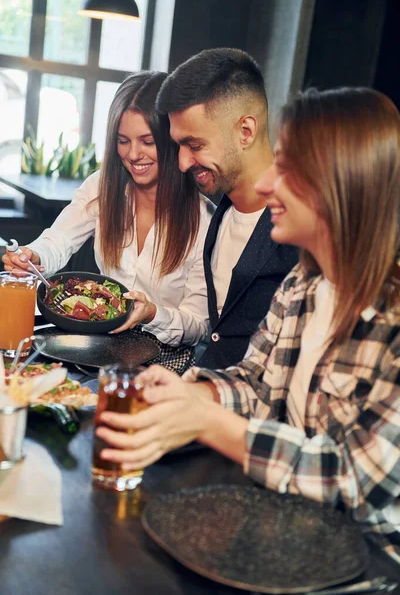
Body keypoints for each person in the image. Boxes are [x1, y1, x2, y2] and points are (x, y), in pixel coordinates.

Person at [97, 87, 400, 561]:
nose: (264, 185)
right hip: (288, 535)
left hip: (367, 566)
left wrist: (211, 422)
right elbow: (257, 384)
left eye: (288, 169)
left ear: (343, 181)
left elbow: (355, 481)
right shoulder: (304, 284)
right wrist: (193, 394)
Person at [2, 71, 214, 374]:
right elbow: (57, 241)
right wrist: (34, 256)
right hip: (97, 353)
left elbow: (198, 324)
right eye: (123, 141)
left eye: (147, 141)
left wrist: (151, 313)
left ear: (171, 140)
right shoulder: (103, 186)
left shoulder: (203, 219)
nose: (132, 154)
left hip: (164, 367)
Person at [155, 48, 298, 369]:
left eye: (195, 145)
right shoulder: (218, 212)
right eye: (179, 146)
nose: (181, 163)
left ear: (245, 131)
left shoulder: (300, 230)